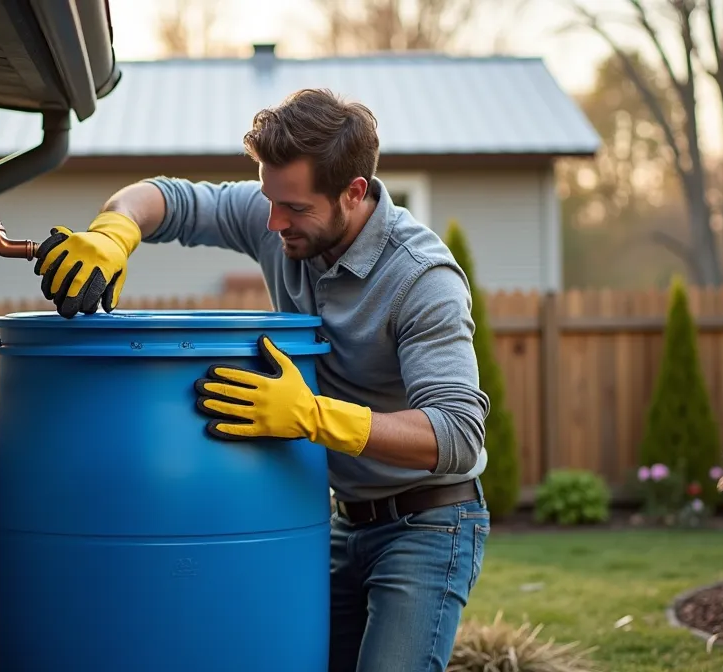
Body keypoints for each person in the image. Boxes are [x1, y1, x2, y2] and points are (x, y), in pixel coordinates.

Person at [31, 88, 492, 671]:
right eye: (270, 199)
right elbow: (164, 198)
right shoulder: (281, 215)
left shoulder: (421, 279)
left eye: (294, 208)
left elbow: (456, 435)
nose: (273, 222)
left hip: (430, 524)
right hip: (342, 519)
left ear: (353, 192)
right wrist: (112, 232)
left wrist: (311, 415)